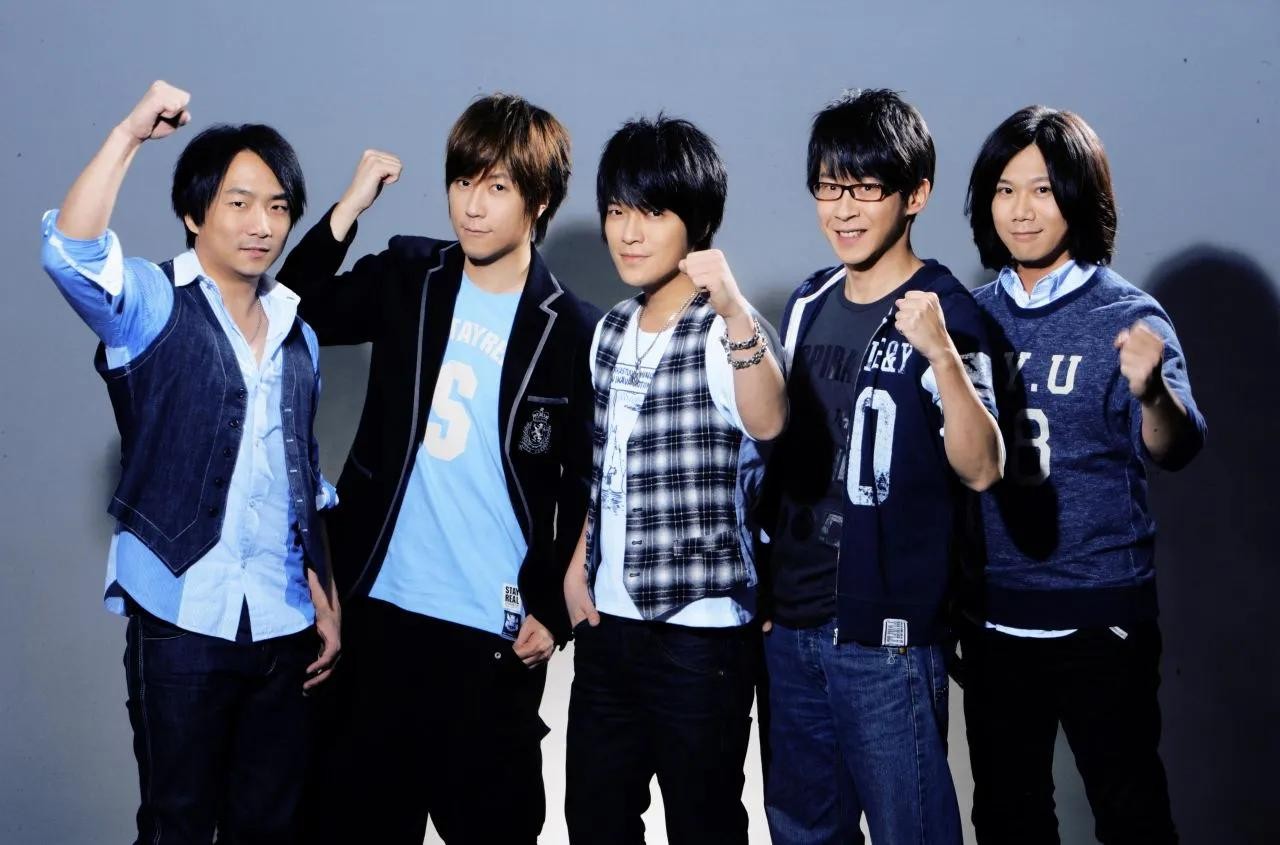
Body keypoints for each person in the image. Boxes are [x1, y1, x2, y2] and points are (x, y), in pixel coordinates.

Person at [276, 93, 598, 844]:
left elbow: (586, 487)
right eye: (462, 181)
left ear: (539, 200)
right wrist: (348, 209)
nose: (472, 206)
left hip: (491, 638)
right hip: (375, 616)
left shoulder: (573, 330)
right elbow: (293, 310)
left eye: (497, 187)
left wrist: (555, 612)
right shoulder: (411, 274)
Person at [39, 80, 340, 844]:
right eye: (239, 203)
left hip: (282, 624)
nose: (262, 224)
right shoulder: (151, 302)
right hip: (181, 614)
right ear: (194, 213)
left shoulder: (299, 334)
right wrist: (129, 134)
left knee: (270, 828)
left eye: (278, 206)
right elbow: (70, 255)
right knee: (176, 825)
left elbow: (301, 474)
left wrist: (325, 595)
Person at [758, 89, 1003, 845]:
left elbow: (982, 467)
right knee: (803, 831)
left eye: (865, 188)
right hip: (792, 623)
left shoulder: (949, 310)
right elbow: (781, 453)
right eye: (829, 187)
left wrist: (942, 357)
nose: (844, 209)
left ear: (915, 194)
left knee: (912, 832)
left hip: (887, 635)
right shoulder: (809, 300)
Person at [961, 105, 1206, 845]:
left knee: (1130, 817)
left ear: (1079, 193)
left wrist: (1152, 392)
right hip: (997, 618)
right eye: (1005, 190)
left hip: (1100, 616)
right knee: (1007, 819)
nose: (1021, 210)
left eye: (1042, 189)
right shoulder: (967, 317)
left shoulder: (1128, 314)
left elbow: (1175, 446)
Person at [562, 114, 787, 845]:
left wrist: (735, 311)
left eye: (653, 213)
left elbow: (770, 421)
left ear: (696, 221)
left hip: (701, 633)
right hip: (609, 624)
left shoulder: (729, 331)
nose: (629, 233)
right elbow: (604, 462)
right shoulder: (609, 329)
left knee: (703, 823)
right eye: (617, 211)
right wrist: (579, 564)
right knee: (595, 819)